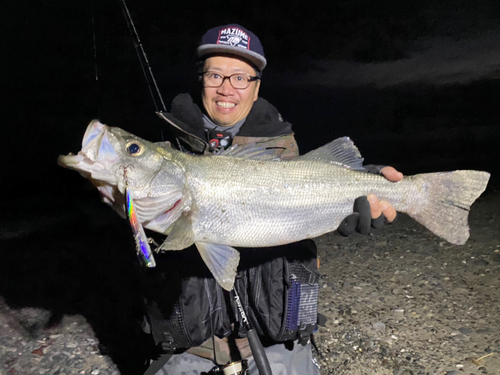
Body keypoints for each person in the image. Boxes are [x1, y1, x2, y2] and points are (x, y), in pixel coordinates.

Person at [142, 24, 402, 375]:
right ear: (200, 78)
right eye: (215, 74)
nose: (226, 88)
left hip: (276, 345)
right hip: (187, 349)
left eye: (240, 78)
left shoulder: (284, 149)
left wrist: (368, 180)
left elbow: (311, 178)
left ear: (256, 86)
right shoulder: (167, 153)